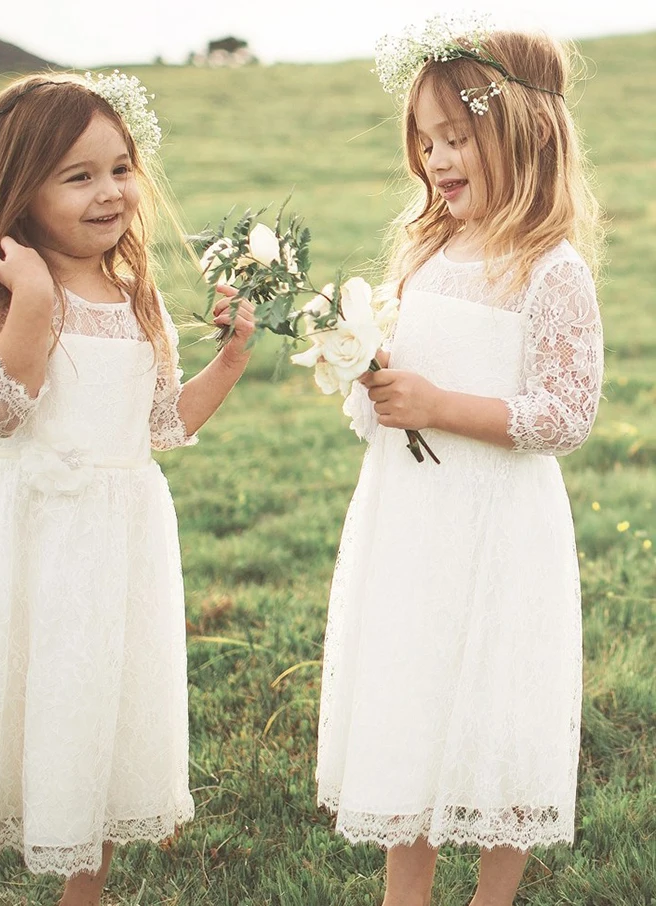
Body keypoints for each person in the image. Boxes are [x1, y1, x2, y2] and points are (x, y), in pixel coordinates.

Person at [0, 72, 253, 906]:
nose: (109, 192)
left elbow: (159, 424)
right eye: (78, 176)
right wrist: (36, 301)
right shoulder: (13, 288)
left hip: (116, 550)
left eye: (120, 168)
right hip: (30, 544)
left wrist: (227, 360)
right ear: (20, 190)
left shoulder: (135, 297)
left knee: (95, 721)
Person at [316, 19, 605, 906]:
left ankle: (492, 894)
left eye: (457, 138)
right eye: (428, 143)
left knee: (494, 700)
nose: (438, 160)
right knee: (412, 688)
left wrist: (441, 406)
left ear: (522, 136)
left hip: (497, 523)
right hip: (411, 520)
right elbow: (391, 394)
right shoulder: (427, 252)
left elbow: (565, 414)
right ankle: (406, 891)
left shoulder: (549, 270)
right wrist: (365, 376)